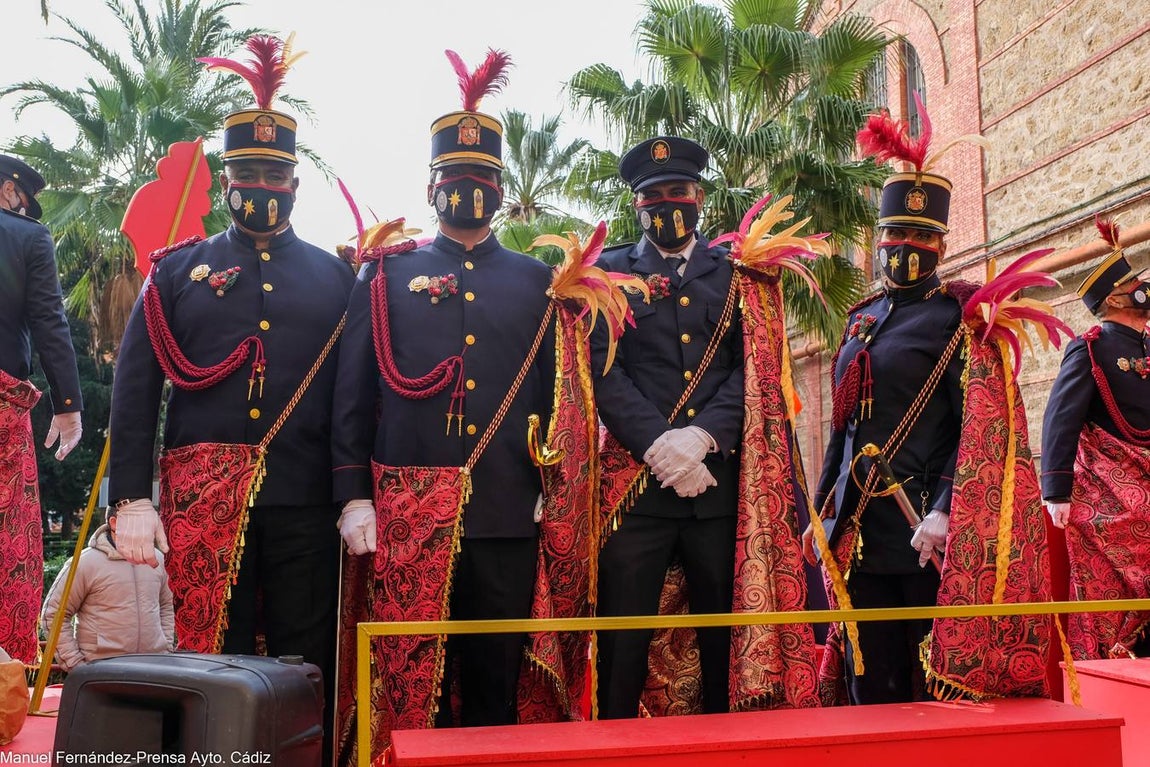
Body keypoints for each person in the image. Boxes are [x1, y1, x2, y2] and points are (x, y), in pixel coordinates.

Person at [332, 49, 606, 761]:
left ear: (501, 190)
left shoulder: (539, 282)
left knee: (494, 683)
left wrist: (552, 489)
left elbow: (560, 400)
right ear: (431, 187)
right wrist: (353, 496)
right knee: (410, 681)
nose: (467, 191)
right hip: (406, 514)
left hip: (506, 514)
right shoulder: (385, 275)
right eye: (454, 178)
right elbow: (354, 395)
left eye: (481, 179)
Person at [107, 36, 352, 760]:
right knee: (212, 649)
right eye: (247, 172)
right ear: (224, 178)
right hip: (202, 500)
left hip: (307, 498)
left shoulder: (337, 277)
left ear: (296, 183)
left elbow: (352, 398)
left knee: (305, 656)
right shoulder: (176, 273)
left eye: (275, 174)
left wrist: (353, 493)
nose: (262, 186)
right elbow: (135, 388)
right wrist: (132, 497)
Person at [804, 104, 1058, 705]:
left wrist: (945, 509)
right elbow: (842, 426)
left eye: (922, 237)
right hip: (856, 527)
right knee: (868, 676)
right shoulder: (861, 318)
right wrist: (819, 509)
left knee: (924, 680)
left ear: (941, 244)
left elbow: (978, 430)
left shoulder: (960, 318)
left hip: (922, 527)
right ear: (879, 240)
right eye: (896, 234)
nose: (906, 247)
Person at [591, 137, 825, 718]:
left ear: (699, 197)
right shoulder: (607, 275)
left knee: (727, 642)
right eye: (652, 196)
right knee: (622, 645)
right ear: (636, 204)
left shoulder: (742, 275)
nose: (666, 204)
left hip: (719, 489)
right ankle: (614, 748)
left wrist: (702, 439)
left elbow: (756, 368)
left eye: (678, 191)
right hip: (636, 494)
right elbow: (602, 371)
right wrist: (659, 446)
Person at [1041, 217, 1150, 660]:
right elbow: (1060, 418)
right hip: (1112, 494)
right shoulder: (1090, 347)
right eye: (1135, 284)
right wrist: (1056, 489)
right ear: (1116, 299)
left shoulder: (1148, 345)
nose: (1144, 288)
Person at [0, 153, 83, 666]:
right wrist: (67, 405)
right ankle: (5, 671)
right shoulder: (28, 238)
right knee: (9, 544)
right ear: (10, 190)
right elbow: (49, 322)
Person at [41, 505, 175, 670]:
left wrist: (165, 648)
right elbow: (53, 615)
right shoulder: (84, 563)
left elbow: (167, 606)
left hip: (154, 668)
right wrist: (76, 665)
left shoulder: (158, 560)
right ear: (114, 523)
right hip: (101, 672)